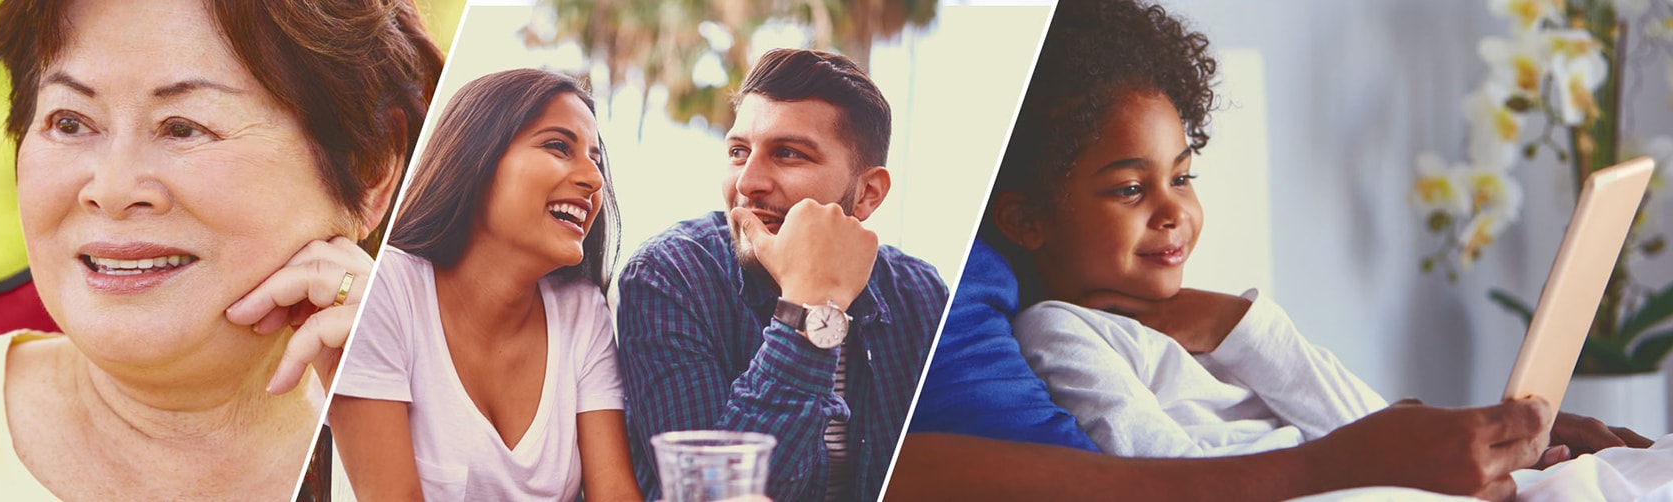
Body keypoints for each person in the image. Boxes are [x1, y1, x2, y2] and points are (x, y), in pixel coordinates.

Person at [890, 0, 1636, 499]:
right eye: (1129, 190)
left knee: (1619, 471)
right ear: (1025, 222)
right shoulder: (1063, 333)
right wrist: (1357, 461)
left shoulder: (1182, 320)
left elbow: (1359, 422)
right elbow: (1168, 471)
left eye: (1183, 177)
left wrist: (1235, 325)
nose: (1173, 212)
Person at [0, 0, 441, 499]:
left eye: (183, 127)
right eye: (70, 121)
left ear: (373, 170)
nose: (111, 190)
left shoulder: (466, 458)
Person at [616, 48, 949, 502]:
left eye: (788, 153)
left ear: (868, 193)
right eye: (738, 152)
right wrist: (811, 305)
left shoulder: (921, 295)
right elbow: (712, 493)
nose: (748, 182)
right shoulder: (669, 277)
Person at [325, 68, 642, 501]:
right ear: (478, 156)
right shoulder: (385, 291)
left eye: (596, 159)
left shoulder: (582, 313)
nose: (593, 178)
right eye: (558, 146)